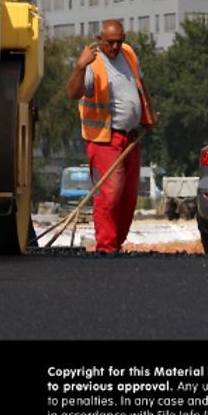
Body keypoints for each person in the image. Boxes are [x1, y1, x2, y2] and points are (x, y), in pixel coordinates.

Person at [66, 20, 157, 254]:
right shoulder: (93, 64)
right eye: (110, 43)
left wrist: (148, 115)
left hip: (131, 138)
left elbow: (141, 83)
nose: (115, 47)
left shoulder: (128, 54)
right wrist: (79, 66)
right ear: (100, 40)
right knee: (109, 196)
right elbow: (73, 93)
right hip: (105, 140)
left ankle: (116, 244)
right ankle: (106, 248)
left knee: (127, 197)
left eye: (119, 41)